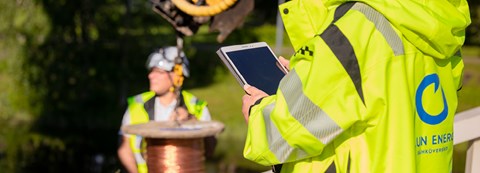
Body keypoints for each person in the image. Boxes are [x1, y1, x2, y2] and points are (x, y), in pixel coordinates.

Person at [241, 0, 471, 172]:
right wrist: (310, 75)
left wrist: (257, 109)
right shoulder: (441, 25)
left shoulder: (355, 29)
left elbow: (283, 135)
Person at [117, 46, 213, 173]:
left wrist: (192, 121)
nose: (151, 76)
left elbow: (210, 149)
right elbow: (124, 149)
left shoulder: (196, 107)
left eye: (158, 72)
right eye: (151, 71)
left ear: (176, 75)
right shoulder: (137, 104)